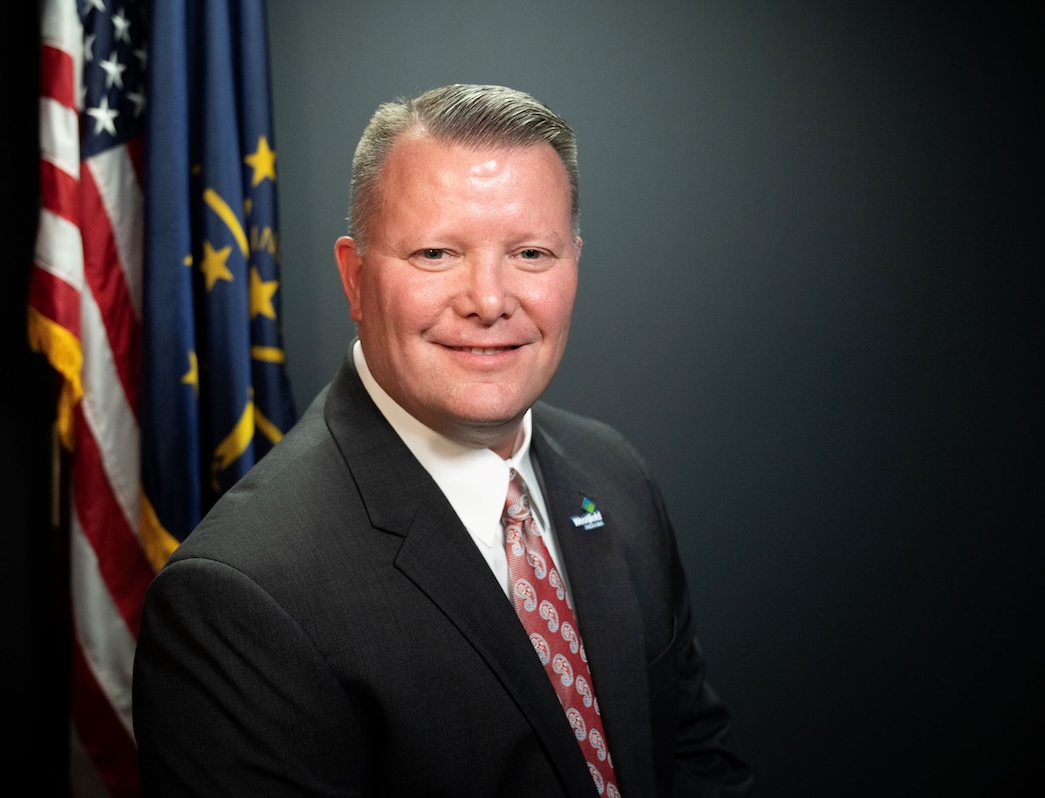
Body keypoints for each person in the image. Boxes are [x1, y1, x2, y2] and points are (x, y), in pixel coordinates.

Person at [133, 83, 753, 797]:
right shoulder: (238, 597)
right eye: (435, 253)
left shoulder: (616, 477)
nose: (489, 300)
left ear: (574, 264)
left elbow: (695, 759)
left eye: (530, 252)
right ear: (355, 279)